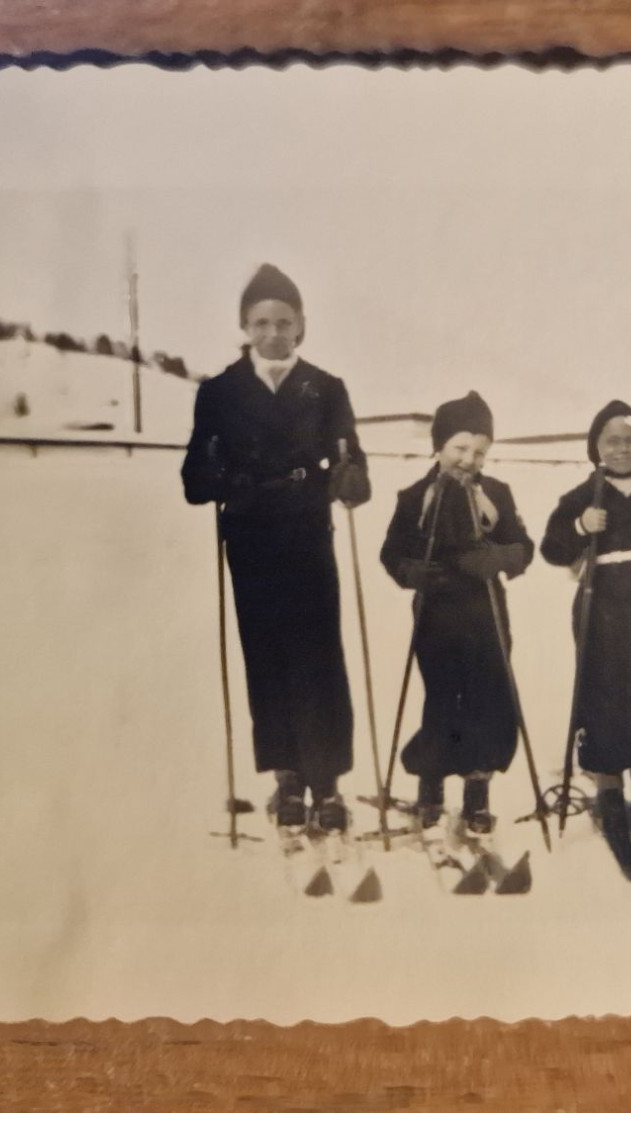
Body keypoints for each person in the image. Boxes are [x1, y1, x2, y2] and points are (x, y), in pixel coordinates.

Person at [181, 263, 371, 831]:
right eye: (261, 321)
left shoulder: (326, 386)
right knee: (267, 657)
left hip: (309, 535)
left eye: (283, 321)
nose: (273, 333)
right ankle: (287, 777)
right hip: (251, 538)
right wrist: (225, 481)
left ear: (301, 325)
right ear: (244, 325)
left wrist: (352, 480)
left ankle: (328, 783)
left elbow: (353, 461)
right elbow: (194, 478)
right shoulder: (218, 392)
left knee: (319, 656)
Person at [540, 399, 631, 880]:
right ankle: (608, 793)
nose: (623, 449)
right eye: (613, 441)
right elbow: (552, 546)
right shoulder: (584, 494)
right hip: (599, 608)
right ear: (596, 448)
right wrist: (582, 526)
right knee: (603, 698)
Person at [380, 391, 534, 834]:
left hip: (485, 608)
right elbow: (391, 551)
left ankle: (477, 791)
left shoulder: (497, 493)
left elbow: (524, 546)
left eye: (480, 452)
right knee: (443, 694)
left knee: (489, 696)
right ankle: (430, 786)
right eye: (459, 449)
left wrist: (500, 558)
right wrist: (411, 570)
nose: (469, 460)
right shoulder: (415, 496)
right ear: (439, 446)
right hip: (437, 611)